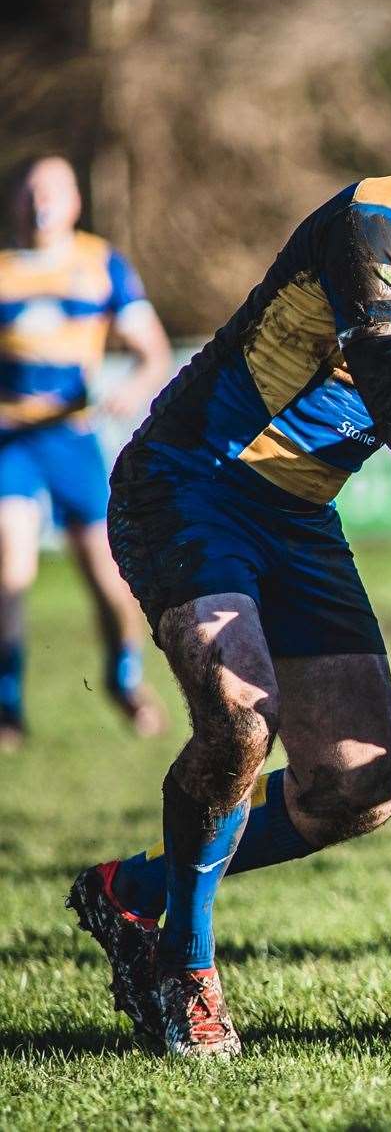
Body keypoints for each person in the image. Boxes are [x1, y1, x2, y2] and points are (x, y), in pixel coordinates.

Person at [65, 49, 391, 1058]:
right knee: (243, 722)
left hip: (299, 517)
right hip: (192, 481)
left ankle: (130, 891)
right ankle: (185, 967)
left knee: (354, 789)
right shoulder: (379, 221)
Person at [0, 156, 173, 747]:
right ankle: (8, 708)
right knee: (10, 571)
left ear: (74, 201)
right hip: (10, 443)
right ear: (14, 200)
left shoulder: (102, 265)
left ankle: (123, 676)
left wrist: (131, 385)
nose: (38, 201)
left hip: (72, 439)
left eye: (51, 189)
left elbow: (150, 350)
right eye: (28, 189)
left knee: (106, 575)